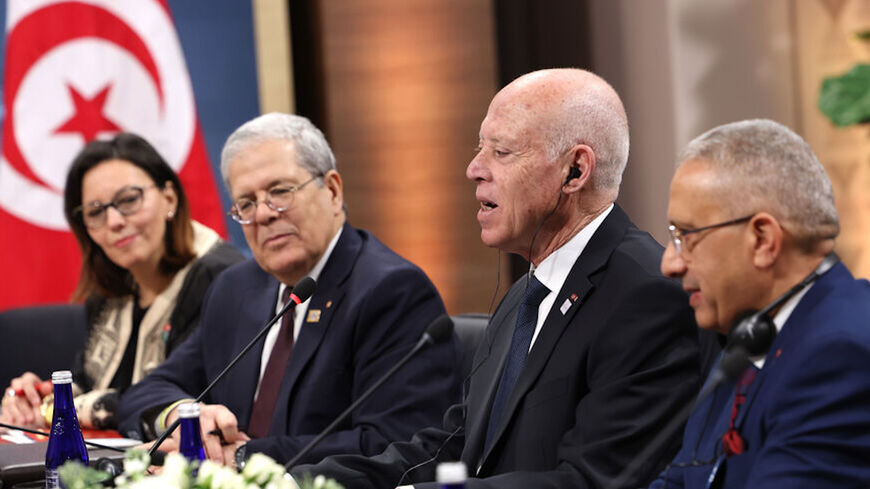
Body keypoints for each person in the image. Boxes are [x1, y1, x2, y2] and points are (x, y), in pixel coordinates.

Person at [294, 68, 705, 489]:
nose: (474, 169)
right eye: (479, 149)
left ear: (575, 171)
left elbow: (591, 481)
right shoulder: (524, 296)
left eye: (502, 152)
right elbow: (452, 448)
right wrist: (296, 483)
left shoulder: (647, 297)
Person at [117, 113, 461, 467]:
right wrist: (185, 416)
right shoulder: (235, 288)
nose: (263, 214)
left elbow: (398, 440)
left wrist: (245, 457)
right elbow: (147, 391)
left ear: (332, 190)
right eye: (246, 204)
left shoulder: (391, 291)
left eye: (280, 192)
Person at [649, 119, 870, 488]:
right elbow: (679, 481)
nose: (669, 264)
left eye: (686, 236)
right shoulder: (751, 335)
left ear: (763, 239)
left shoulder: (839, 356)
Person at [0, 133, 243, 431]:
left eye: (129, 200)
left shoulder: (223, 280)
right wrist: (40, 399)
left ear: (169, 197)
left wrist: (64, 409)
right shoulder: (110, 290)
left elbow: (189, 396)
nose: (114, 222)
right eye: (95, 212)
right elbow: (90, 385)